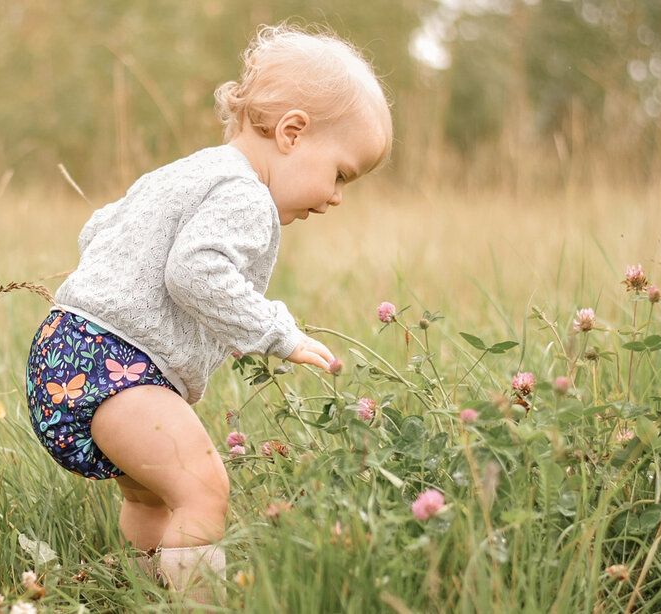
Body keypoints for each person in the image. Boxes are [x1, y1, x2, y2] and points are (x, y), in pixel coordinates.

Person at [25, 21, 392, 605]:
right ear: (293, 133)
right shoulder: (246, 194)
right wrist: (274, 331)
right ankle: (200, 604)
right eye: (341, 173)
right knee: (203, 491)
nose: (337, 197)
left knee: (152, 496)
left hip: (63, 353)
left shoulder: (186, 170)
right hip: (115, 362)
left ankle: (143, 590)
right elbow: (194, 271)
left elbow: (99, 229)